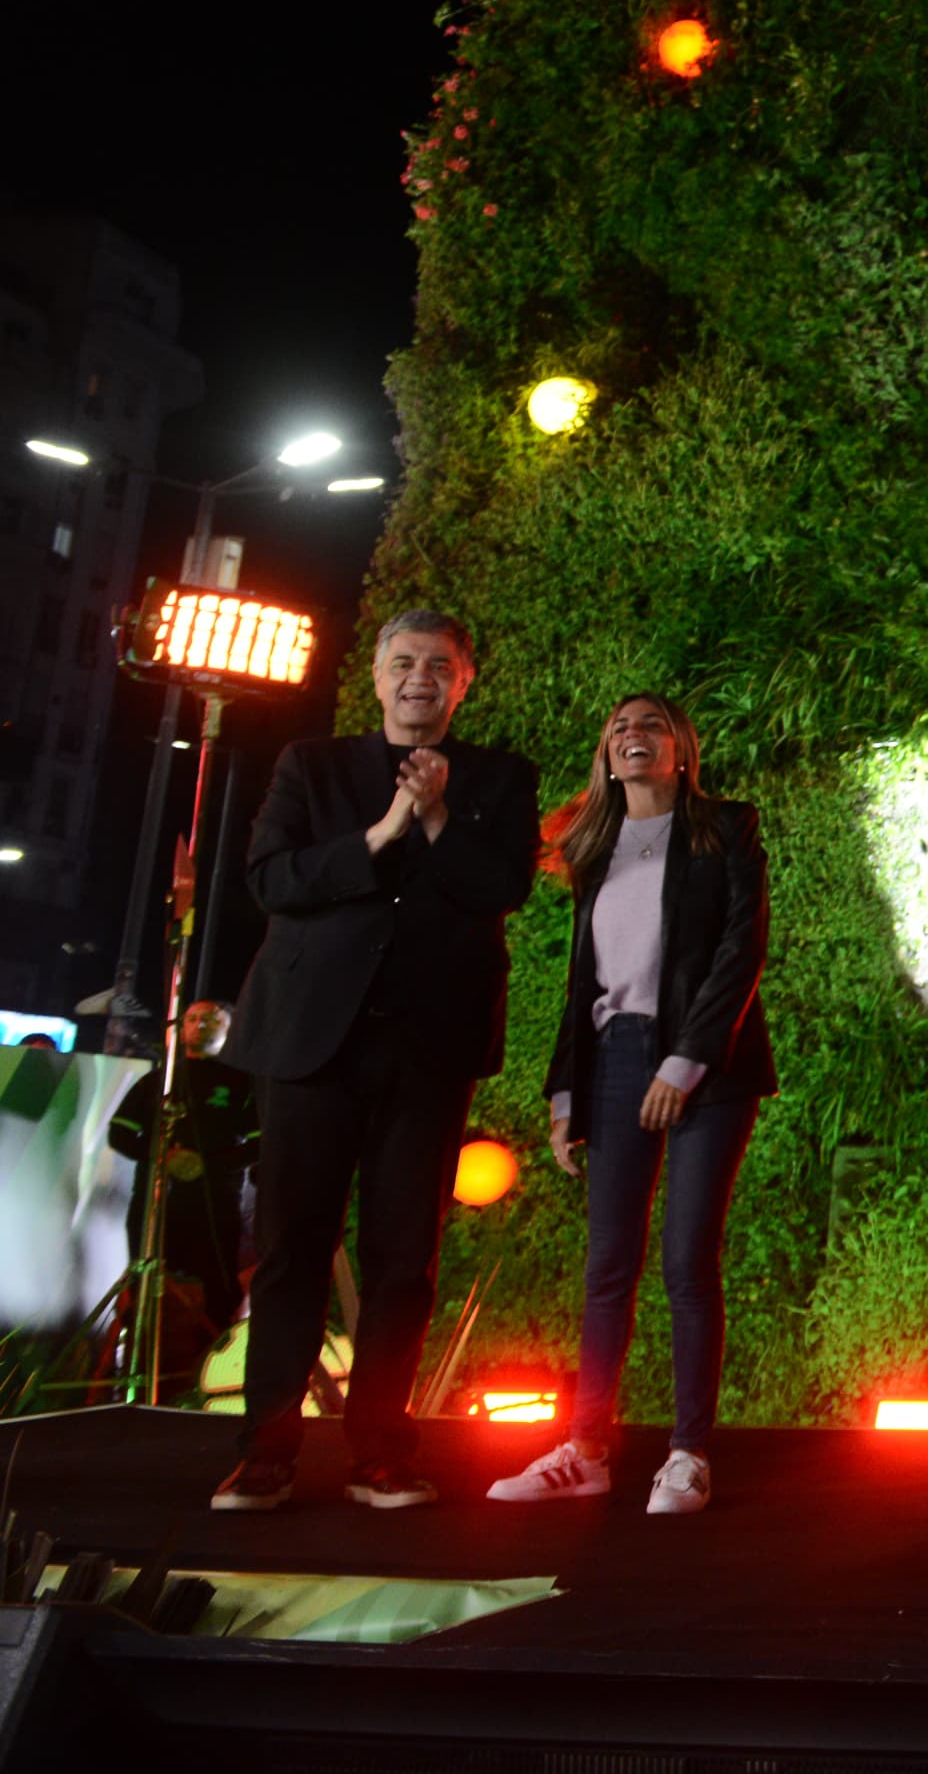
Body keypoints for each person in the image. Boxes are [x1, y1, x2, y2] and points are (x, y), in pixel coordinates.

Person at [214, 611, 542, 1512]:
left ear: (464, 681)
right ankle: (266, 1453)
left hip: (428, 1049)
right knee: (290, 1251)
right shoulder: (311, 767)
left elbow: (501, 888)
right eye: (403, 664)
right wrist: (380, 831)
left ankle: (381, 1453)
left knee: (404, 1261)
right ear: (376, 677)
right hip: (309, 1043)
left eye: (440, 666)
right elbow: (271, 880)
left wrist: (435, 815)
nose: (419, 679)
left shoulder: (500, 780)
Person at [487, 694, 775, 1516]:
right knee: (608, 1263)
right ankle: (586, 1448)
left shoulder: (726, 828)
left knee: (687, 1260)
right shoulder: (595, 847)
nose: (631, 738)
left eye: (649, 726)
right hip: (613, 1061)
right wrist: (564, 1092)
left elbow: (739, 949)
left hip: (706, 1066)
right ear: (606, 757)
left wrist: (684, 1062)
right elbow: (585, 983)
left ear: (682, 748)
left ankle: (688, 1455)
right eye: (618, 730)